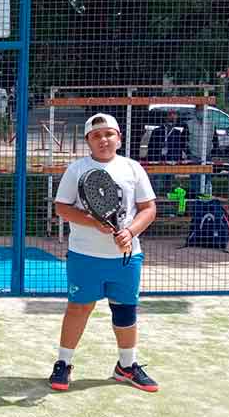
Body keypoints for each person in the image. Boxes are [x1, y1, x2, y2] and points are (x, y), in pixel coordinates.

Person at [49, 113, 158, 392]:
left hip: (126, 257)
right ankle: (63, 363)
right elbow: (62, 207)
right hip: (85, 256)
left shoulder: (133, 169)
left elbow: (148, 209)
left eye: (109, 134)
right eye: (96, 136)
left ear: (119, 138)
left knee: (125, 311)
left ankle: (126, 366)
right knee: (78, 308)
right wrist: (92, 222)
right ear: (88, 141)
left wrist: (130, 232)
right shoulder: (76, 169)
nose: (103, 140)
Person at [147, 109, 186, 194]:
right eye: (170, 116)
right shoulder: (157, 131)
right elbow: (151, 146)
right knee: (156, 179)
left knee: (168, 180)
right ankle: (155, 196)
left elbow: (179, 148)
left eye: (174, 117)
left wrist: (177, 161)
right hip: (157, 159)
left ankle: (166, 195)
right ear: (166, 117)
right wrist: (151, 160)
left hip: (171, 160)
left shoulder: (177, 133)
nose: (172, 118)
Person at [186, 106, 218, 197]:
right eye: (199, 110)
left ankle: (206, 199)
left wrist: (214, 153)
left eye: (202, 110)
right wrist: (188, 153)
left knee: (207, 179)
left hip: (207, 155)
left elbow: (215, 140)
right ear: (195, 111)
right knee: (195, 180)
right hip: (194, 156)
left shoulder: (211, 124)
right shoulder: (189, 124)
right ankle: (195, 199)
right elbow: (184, 140)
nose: (201, 112)